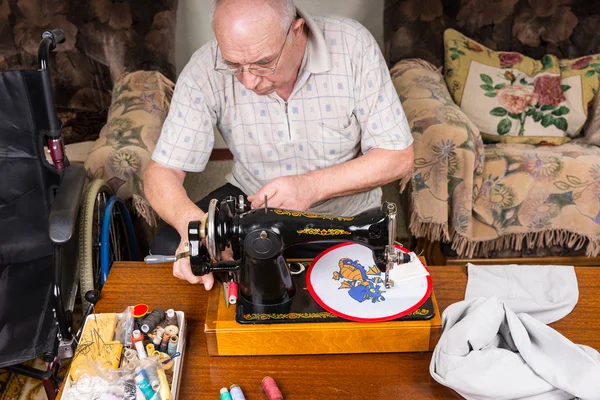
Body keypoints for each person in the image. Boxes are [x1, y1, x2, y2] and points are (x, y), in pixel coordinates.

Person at [144, 0, 414, 290]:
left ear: (297, 31)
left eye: (263, 63)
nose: (247, 81)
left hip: (343, 212)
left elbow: (398, 155)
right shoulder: (205, 67)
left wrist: (311, 186)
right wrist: (195, 228)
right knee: (169, 250)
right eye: (234, 65)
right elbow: (160, 173)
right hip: (251, 199)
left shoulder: (352, 46)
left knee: (350, 295)